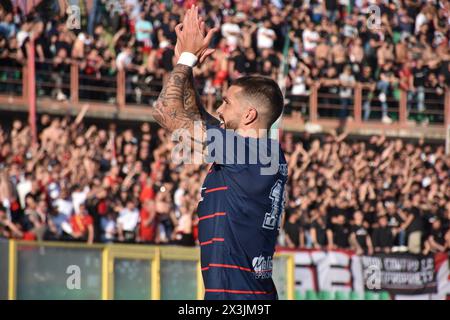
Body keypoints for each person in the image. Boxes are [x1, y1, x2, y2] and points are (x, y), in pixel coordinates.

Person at [150, 6, 287, 300]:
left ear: (249, 114)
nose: (219, 109)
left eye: (226, 102)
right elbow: (195, 114)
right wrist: (183, 63)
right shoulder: (260, 153)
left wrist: (186, 60)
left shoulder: (247, 153)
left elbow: (165, 111)